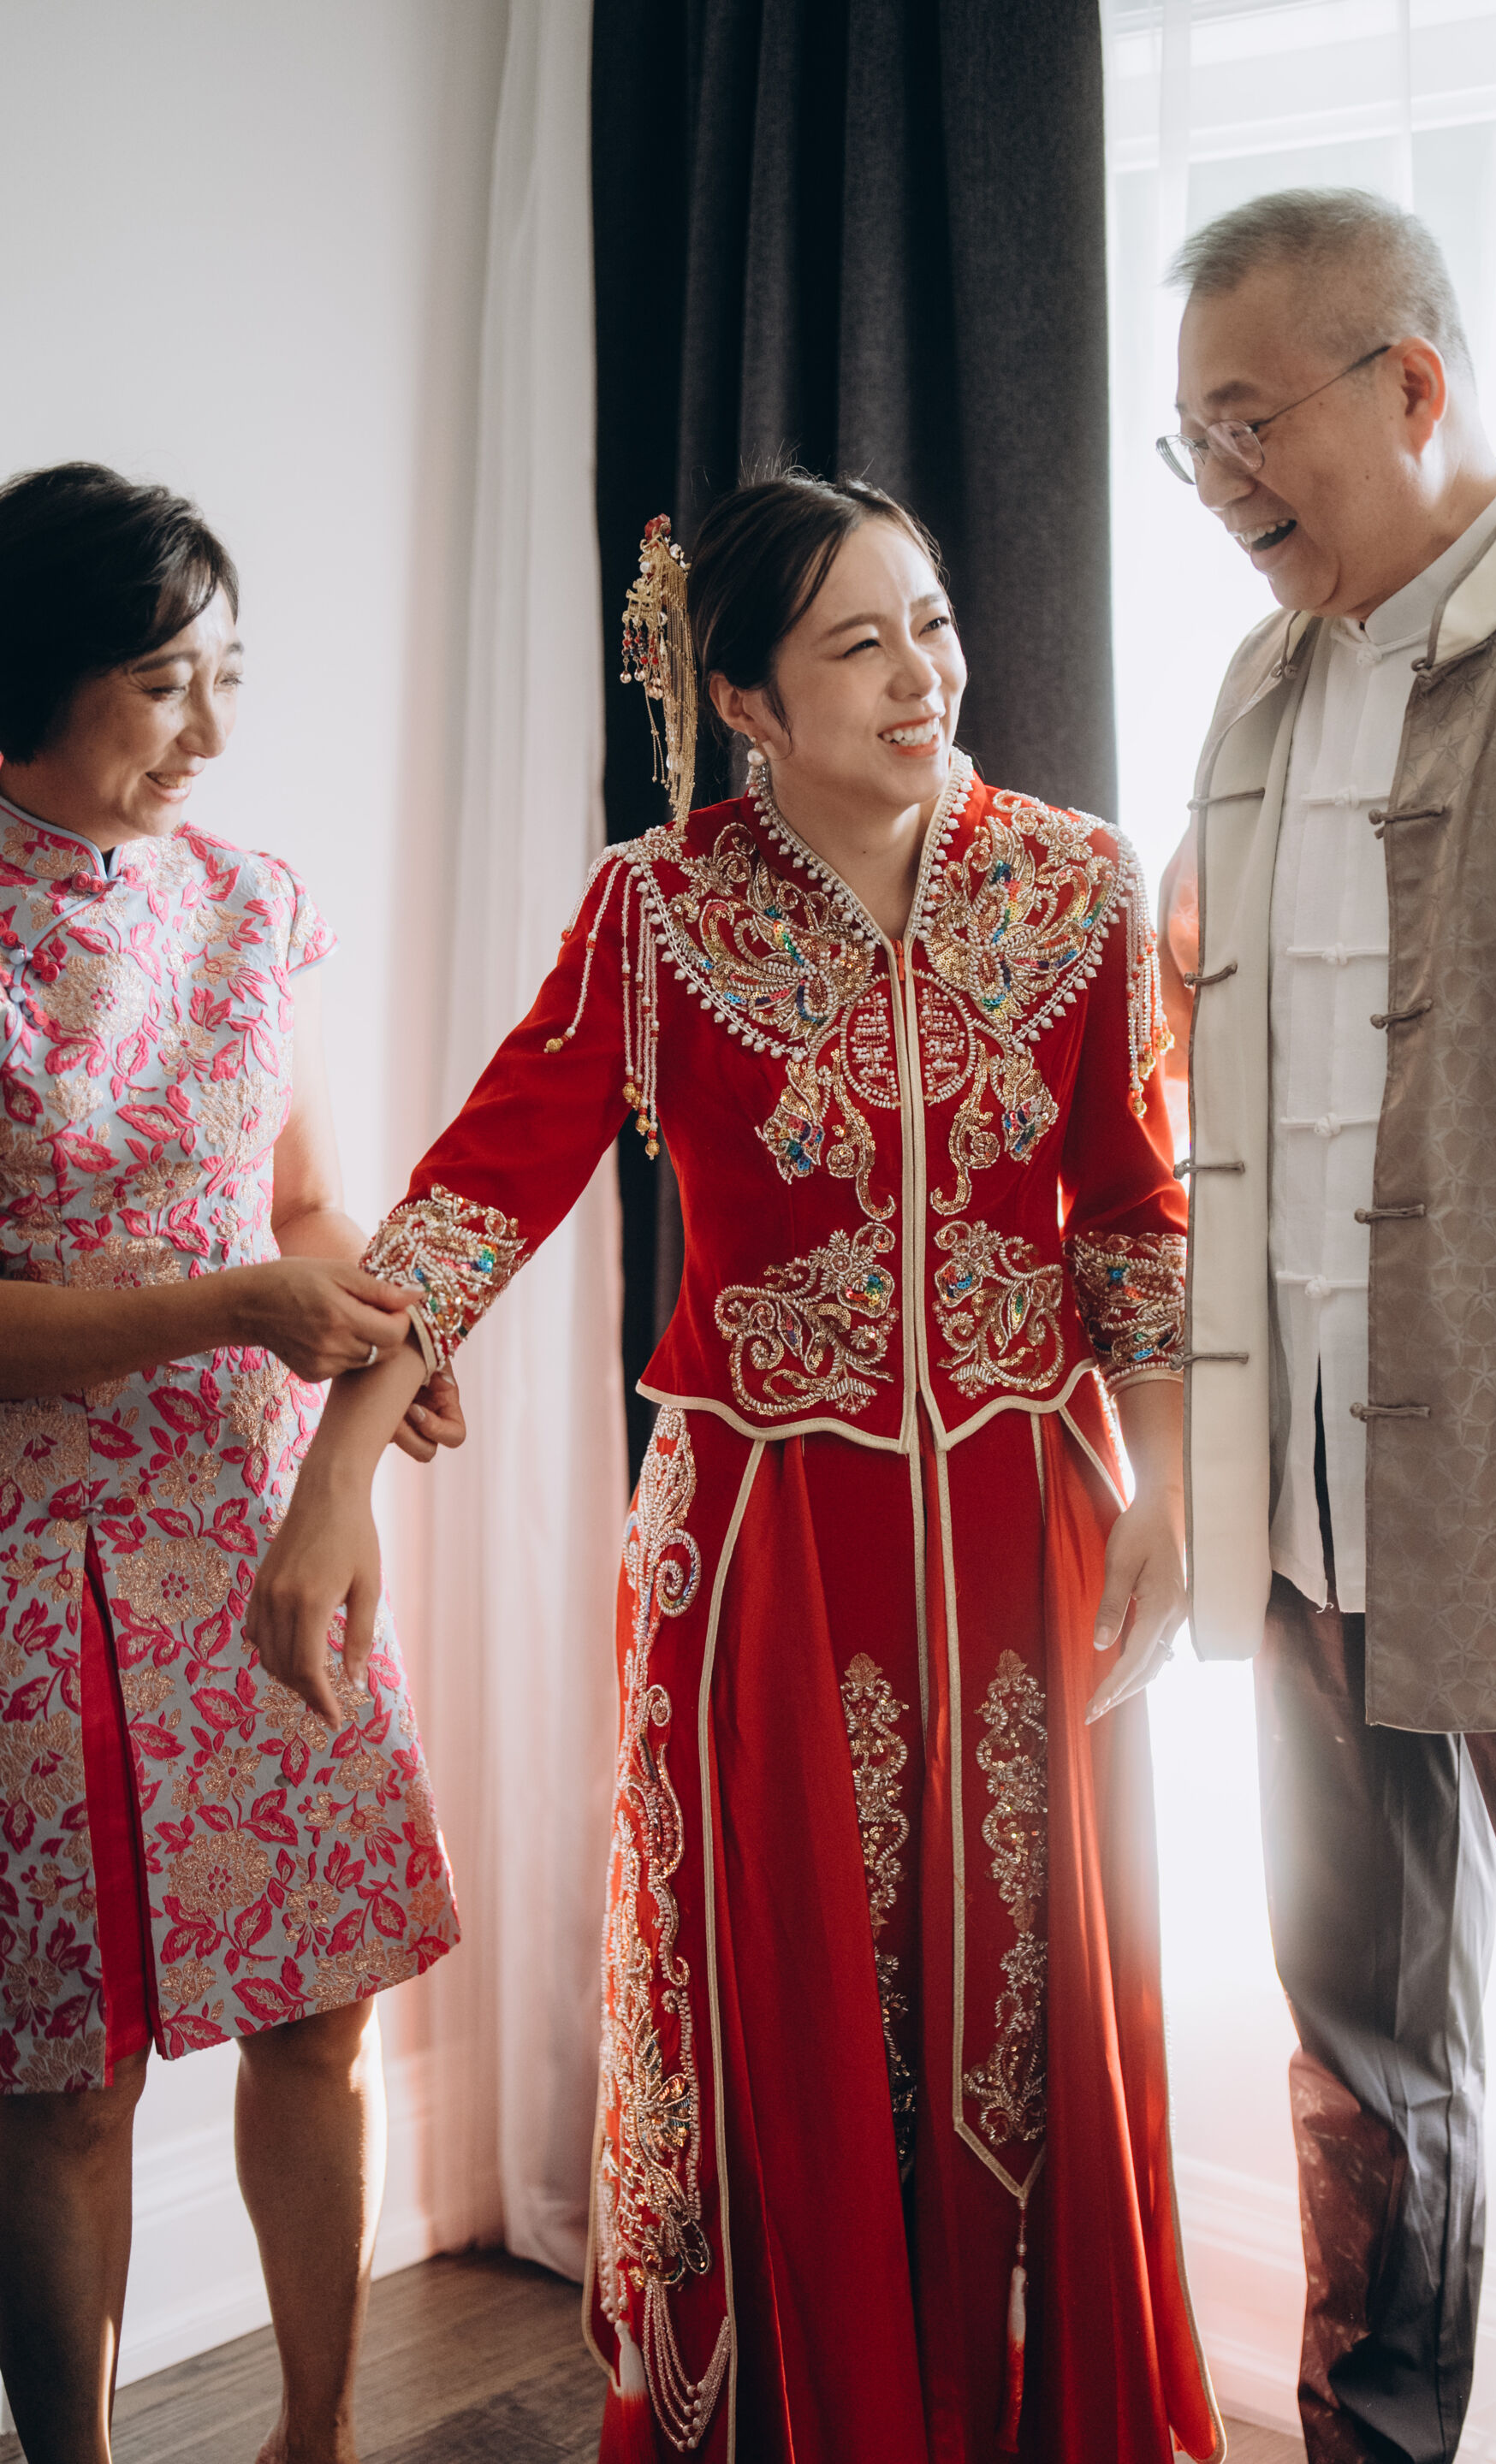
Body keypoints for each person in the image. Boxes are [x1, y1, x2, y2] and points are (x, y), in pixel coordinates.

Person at [248, 474, 1224, 2464]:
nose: (921, 676)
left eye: (932, 624)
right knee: (788, 2004)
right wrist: (338, 1479)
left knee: (1036, 2005)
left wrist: (1175, 1493)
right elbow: (483, 1189)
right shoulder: (661, 913)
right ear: (747, 703)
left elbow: (1134, 1214)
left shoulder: (1075, 885)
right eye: (859, 646)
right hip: (769, 1548)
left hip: (1033, 1521)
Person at [1154, 188, 1496, 2463]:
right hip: (1308, 1519)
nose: (1220, 479)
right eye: (1190, 440)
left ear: (1414, 383)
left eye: (1249, 421)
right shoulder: (1256, 690)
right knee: (1358, 2058)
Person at [0, 463, 462, 2464]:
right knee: (64, 2079)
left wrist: (371, 1331)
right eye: (164, 680)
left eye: (232, 674)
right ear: (38, 673)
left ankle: (318, 2436)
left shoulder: (253, 901)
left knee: (321, 2010)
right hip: (31, 1560)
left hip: (260, 1524)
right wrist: (231, 1312)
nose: (210, 727)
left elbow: (300, 1203)